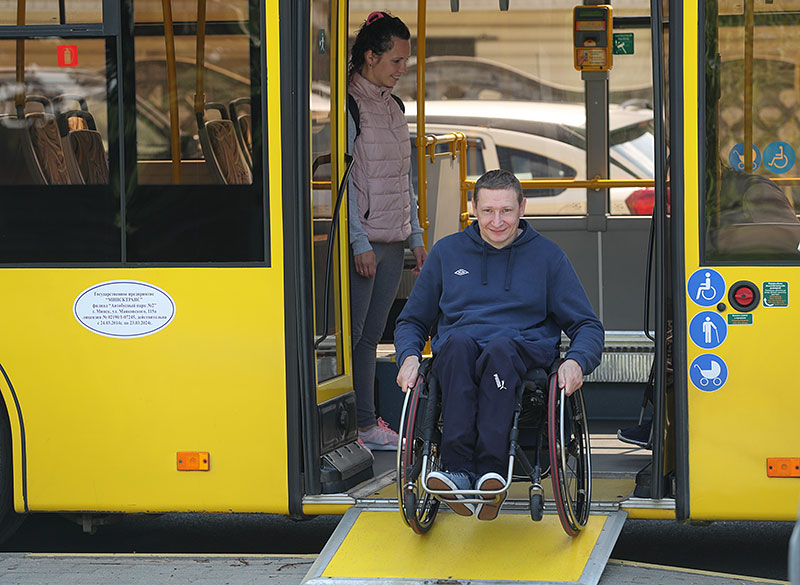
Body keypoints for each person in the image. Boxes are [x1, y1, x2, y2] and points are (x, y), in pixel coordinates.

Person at [394, 169, 604, 520]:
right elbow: (412, 320)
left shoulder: (548, 258)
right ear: (473, 207)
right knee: (457, 344)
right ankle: (458, 470)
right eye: (488, 210)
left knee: (500, 349)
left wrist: (577, 361)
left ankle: (492, 473)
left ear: (522, 207)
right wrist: (408, 356)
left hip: (522, 348)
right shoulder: (447, 253)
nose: (496, 221)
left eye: (506, 210)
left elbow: (587, 325)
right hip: (462, 348)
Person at [347, 11, 427, 452]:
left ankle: (366, 422)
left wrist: (414, 235)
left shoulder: (393, 107)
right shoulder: (350, 106)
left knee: (373, 336)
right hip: (367, 243)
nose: (401, 71)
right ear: (370, 56)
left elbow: (403, 178)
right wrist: (360, 242)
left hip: (394, 240)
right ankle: (361, 424)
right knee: (358, 337)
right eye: (395, 61)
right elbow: (345, 183)